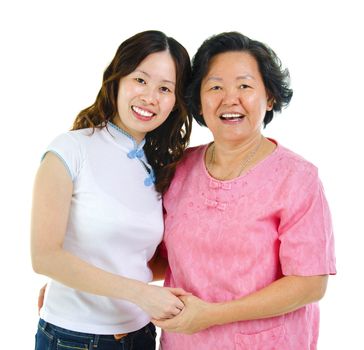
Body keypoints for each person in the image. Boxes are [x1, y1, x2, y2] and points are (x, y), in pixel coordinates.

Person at [153, 32, 336, 349]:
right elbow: (157, 258)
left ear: (269, 98)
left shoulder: (296, 178)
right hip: (184, 342)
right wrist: (83, 288)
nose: (229, 98)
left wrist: (212, 315)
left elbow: (309, 284)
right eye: (215, 87)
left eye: (245, 86)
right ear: (198, 99)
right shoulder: (179, 168)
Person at [31, 30, 192, 350]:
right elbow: (44, 257)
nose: (150, 97)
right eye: (141, 80)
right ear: (117, 78)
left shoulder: (157, 166)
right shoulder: (69, 150)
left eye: (164, 88)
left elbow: (141, 258)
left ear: (175, 102)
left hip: (141, 334)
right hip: (72, 338)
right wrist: (141, 293)